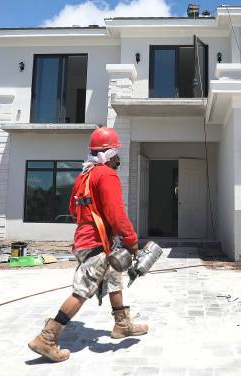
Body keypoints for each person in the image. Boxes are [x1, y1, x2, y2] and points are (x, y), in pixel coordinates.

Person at [28, 127, 148, 362]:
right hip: (96, 242)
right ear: (109, 153)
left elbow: (74, 210)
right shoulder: (106, 174)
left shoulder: (84, 176)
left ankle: (122, 325)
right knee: (83, 289)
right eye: (116, 153)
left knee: (114, 277)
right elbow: (116, 214)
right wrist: (132, 240)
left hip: (86, 240)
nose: (117, 158)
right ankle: (47, 338)